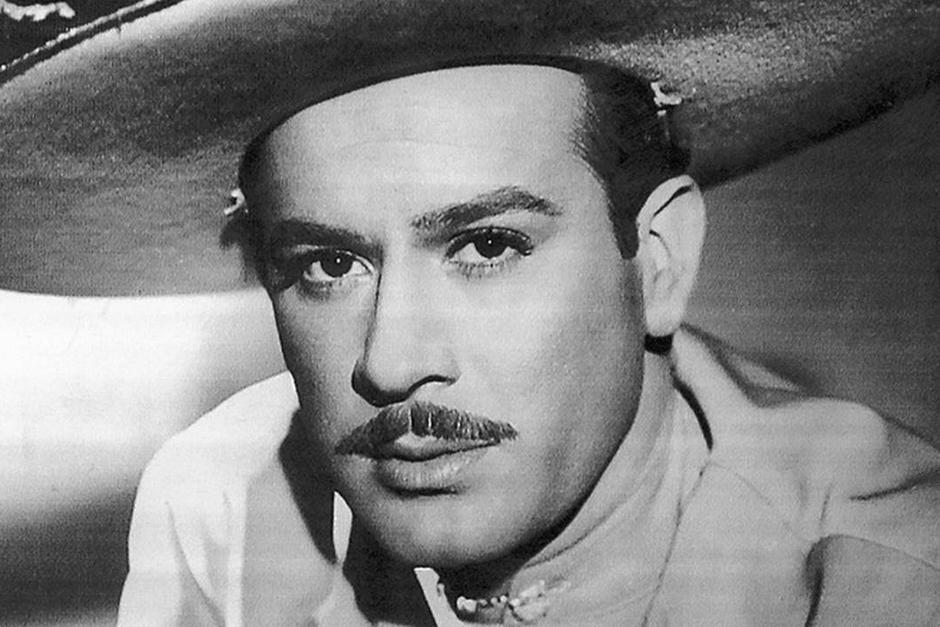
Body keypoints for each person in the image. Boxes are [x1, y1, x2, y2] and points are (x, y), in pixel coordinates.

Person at [1, 2, 937, 625]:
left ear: (657, 259)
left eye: (486, 246)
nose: (392, 360)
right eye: (328, 264)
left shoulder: (888, 584)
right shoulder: (224, 507)